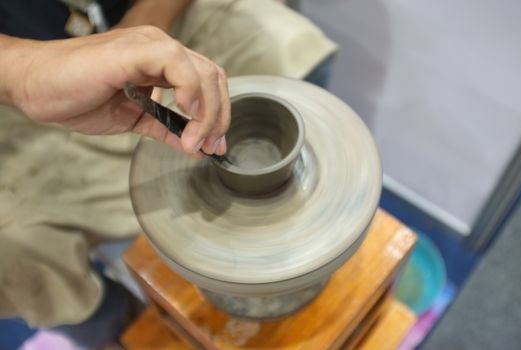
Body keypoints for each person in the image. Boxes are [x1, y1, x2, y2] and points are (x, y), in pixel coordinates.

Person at [0, 0, 337, 347]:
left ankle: (291, 238)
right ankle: (126, 330)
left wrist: (136, 30)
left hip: (154, 28)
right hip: (23, 87)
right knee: (12, 253)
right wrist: (23, 75)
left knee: (289, 44)